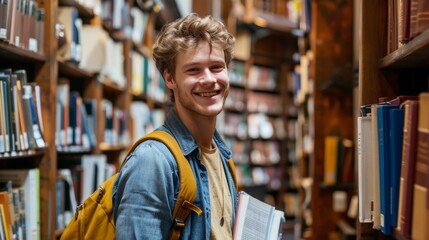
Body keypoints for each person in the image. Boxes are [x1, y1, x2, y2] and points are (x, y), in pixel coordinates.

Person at [112, 13, 238, 239]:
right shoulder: (152, 162)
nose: (209, 79)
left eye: (217, 67)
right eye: (194, 70)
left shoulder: (222, 155)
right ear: (170, 79)